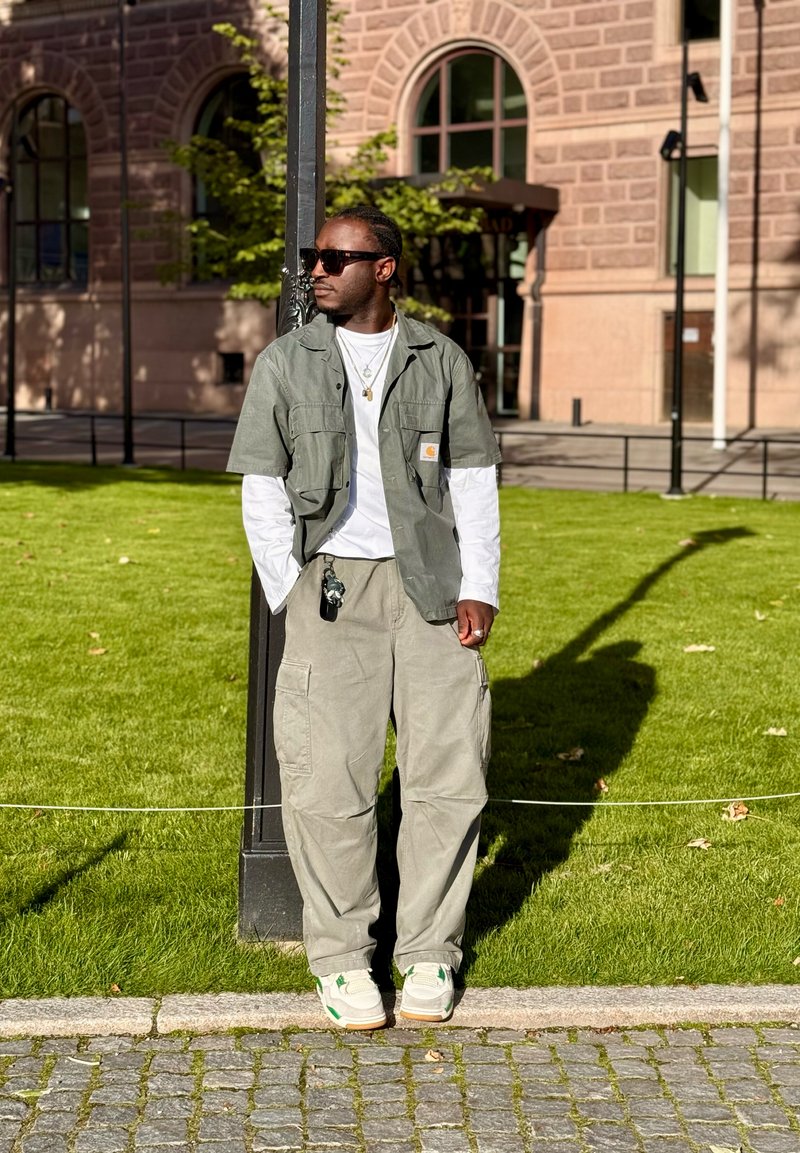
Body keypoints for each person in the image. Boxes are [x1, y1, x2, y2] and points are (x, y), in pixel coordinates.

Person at [227, 205, 500, 1029]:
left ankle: (427, 954)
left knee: (447, 777)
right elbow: (260, 486)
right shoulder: (287, 362)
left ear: (384, 268)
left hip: (432, 589)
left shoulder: (440, 359)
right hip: (331, 588)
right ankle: (343, 959)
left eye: (338, 257)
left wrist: (478, 585)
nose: (318, 269)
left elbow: (475, 478)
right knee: (327, 778)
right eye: (314, 257)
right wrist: (290, 586)